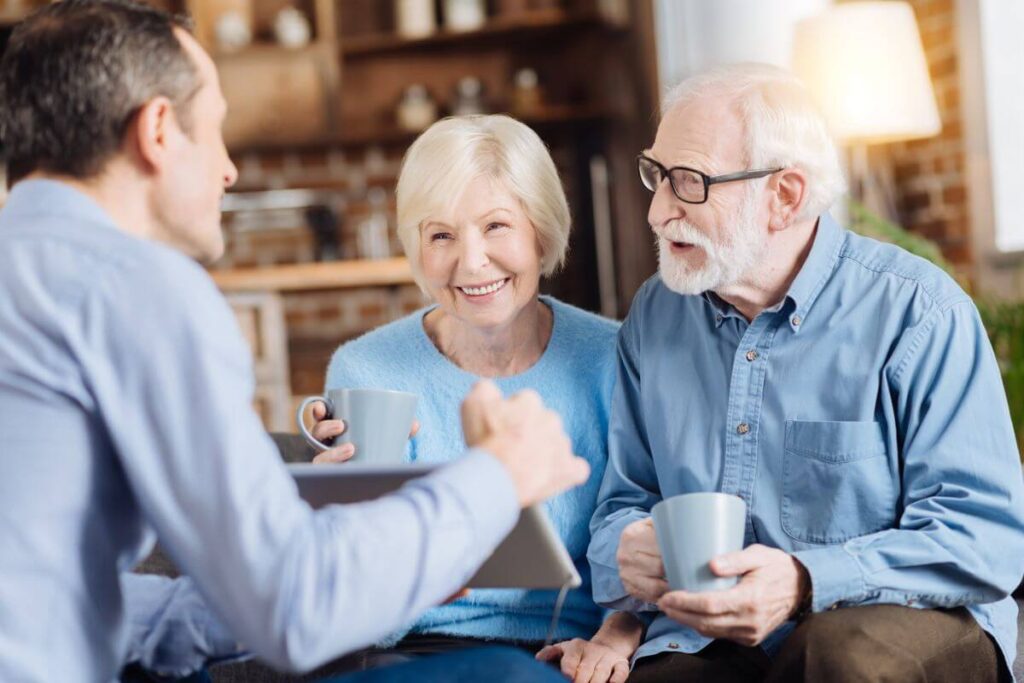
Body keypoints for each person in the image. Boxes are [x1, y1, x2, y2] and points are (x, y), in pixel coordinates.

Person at [0, 2, 590, 681]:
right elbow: (296, 605)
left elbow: (62, 594)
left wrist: (397, 564)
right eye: (215, 128)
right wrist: (496, 477)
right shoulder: (135, 284)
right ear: (158, 130)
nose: (227, 169)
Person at [586, 62, 1024, 682]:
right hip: (717, 637)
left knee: (832, 658)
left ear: (784, 196)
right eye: (657, 175)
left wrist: (803, 581)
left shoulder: (919, 311)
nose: (657, 213)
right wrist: (627, 552)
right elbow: (624, 504)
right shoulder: (655, 316)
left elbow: (984, 538)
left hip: (908, 620)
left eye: (689, 182)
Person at [304, 114, 641, 683]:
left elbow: (647, 521)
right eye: (441, 235)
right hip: (420, 650)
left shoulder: (614, 358)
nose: (472, 261)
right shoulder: (366, 369)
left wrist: (619, 634)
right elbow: (361, 607)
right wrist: (341, 516)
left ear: (541, 229)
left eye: (496, 226)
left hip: (576, 651)